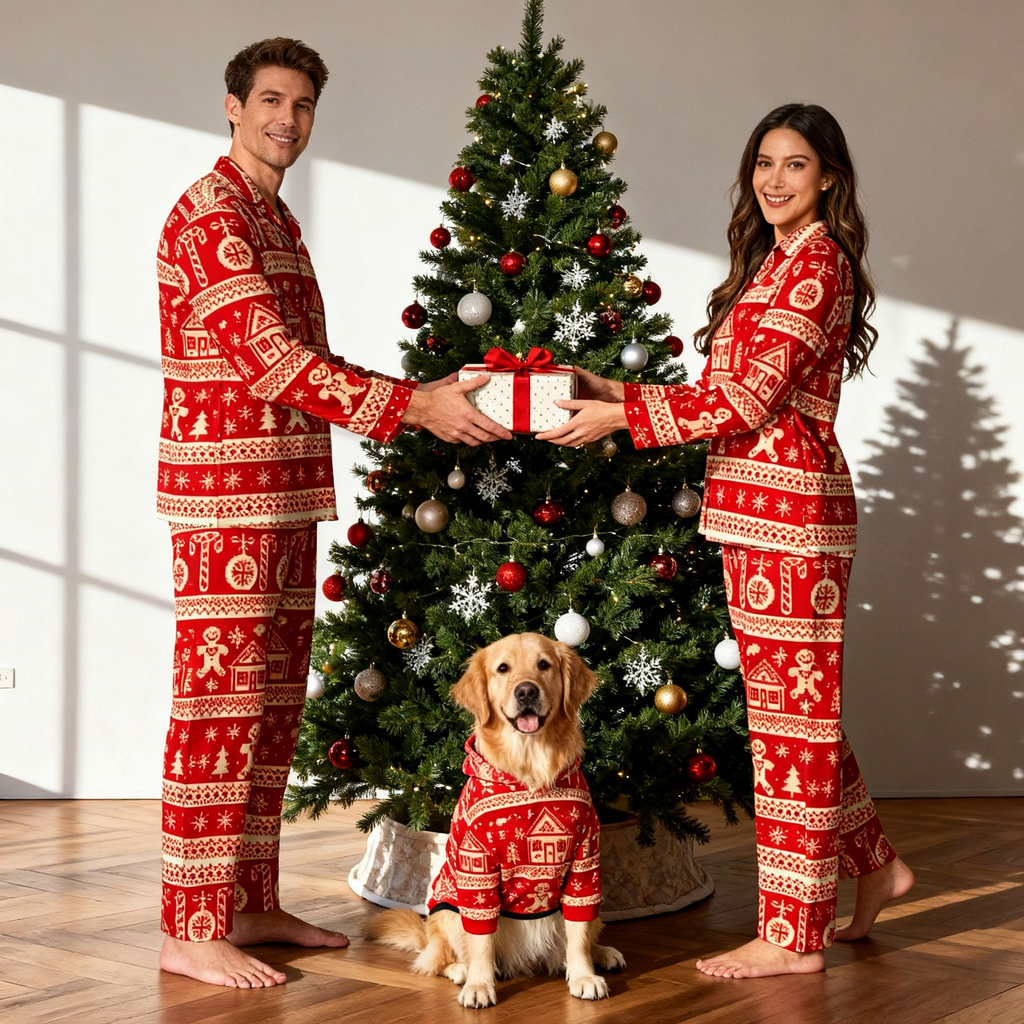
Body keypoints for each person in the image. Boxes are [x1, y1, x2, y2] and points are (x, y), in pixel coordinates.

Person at [156, 37, 510, 990]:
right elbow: (269, 362)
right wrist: (415, 410)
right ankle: (189, 925)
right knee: (218, 707)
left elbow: (316, 363)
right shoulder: (211, 218)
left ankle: (250, 900)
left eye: (303, 105)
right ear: (232, 105)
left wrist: (419, 393)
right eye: (271, 100)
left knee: (272, 709)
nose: (288, 120)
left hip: (283, 494)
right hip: (225, 502)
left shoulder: (275, 223)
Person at [538, 103, 914, 979]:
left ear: (828, 178)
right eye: (764, 164)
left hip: (796, 523)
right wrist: (606, 387)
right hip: (753, 516)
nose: (775, 180)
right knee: (792, 715)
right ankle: (879, 866)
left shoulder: (817, 266)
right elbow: (726, 386)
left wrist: (622, 418)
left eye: (795, 165)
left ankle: (793, 939)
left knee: (795, 725)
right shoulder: (774, 264)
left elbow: (745, 404)